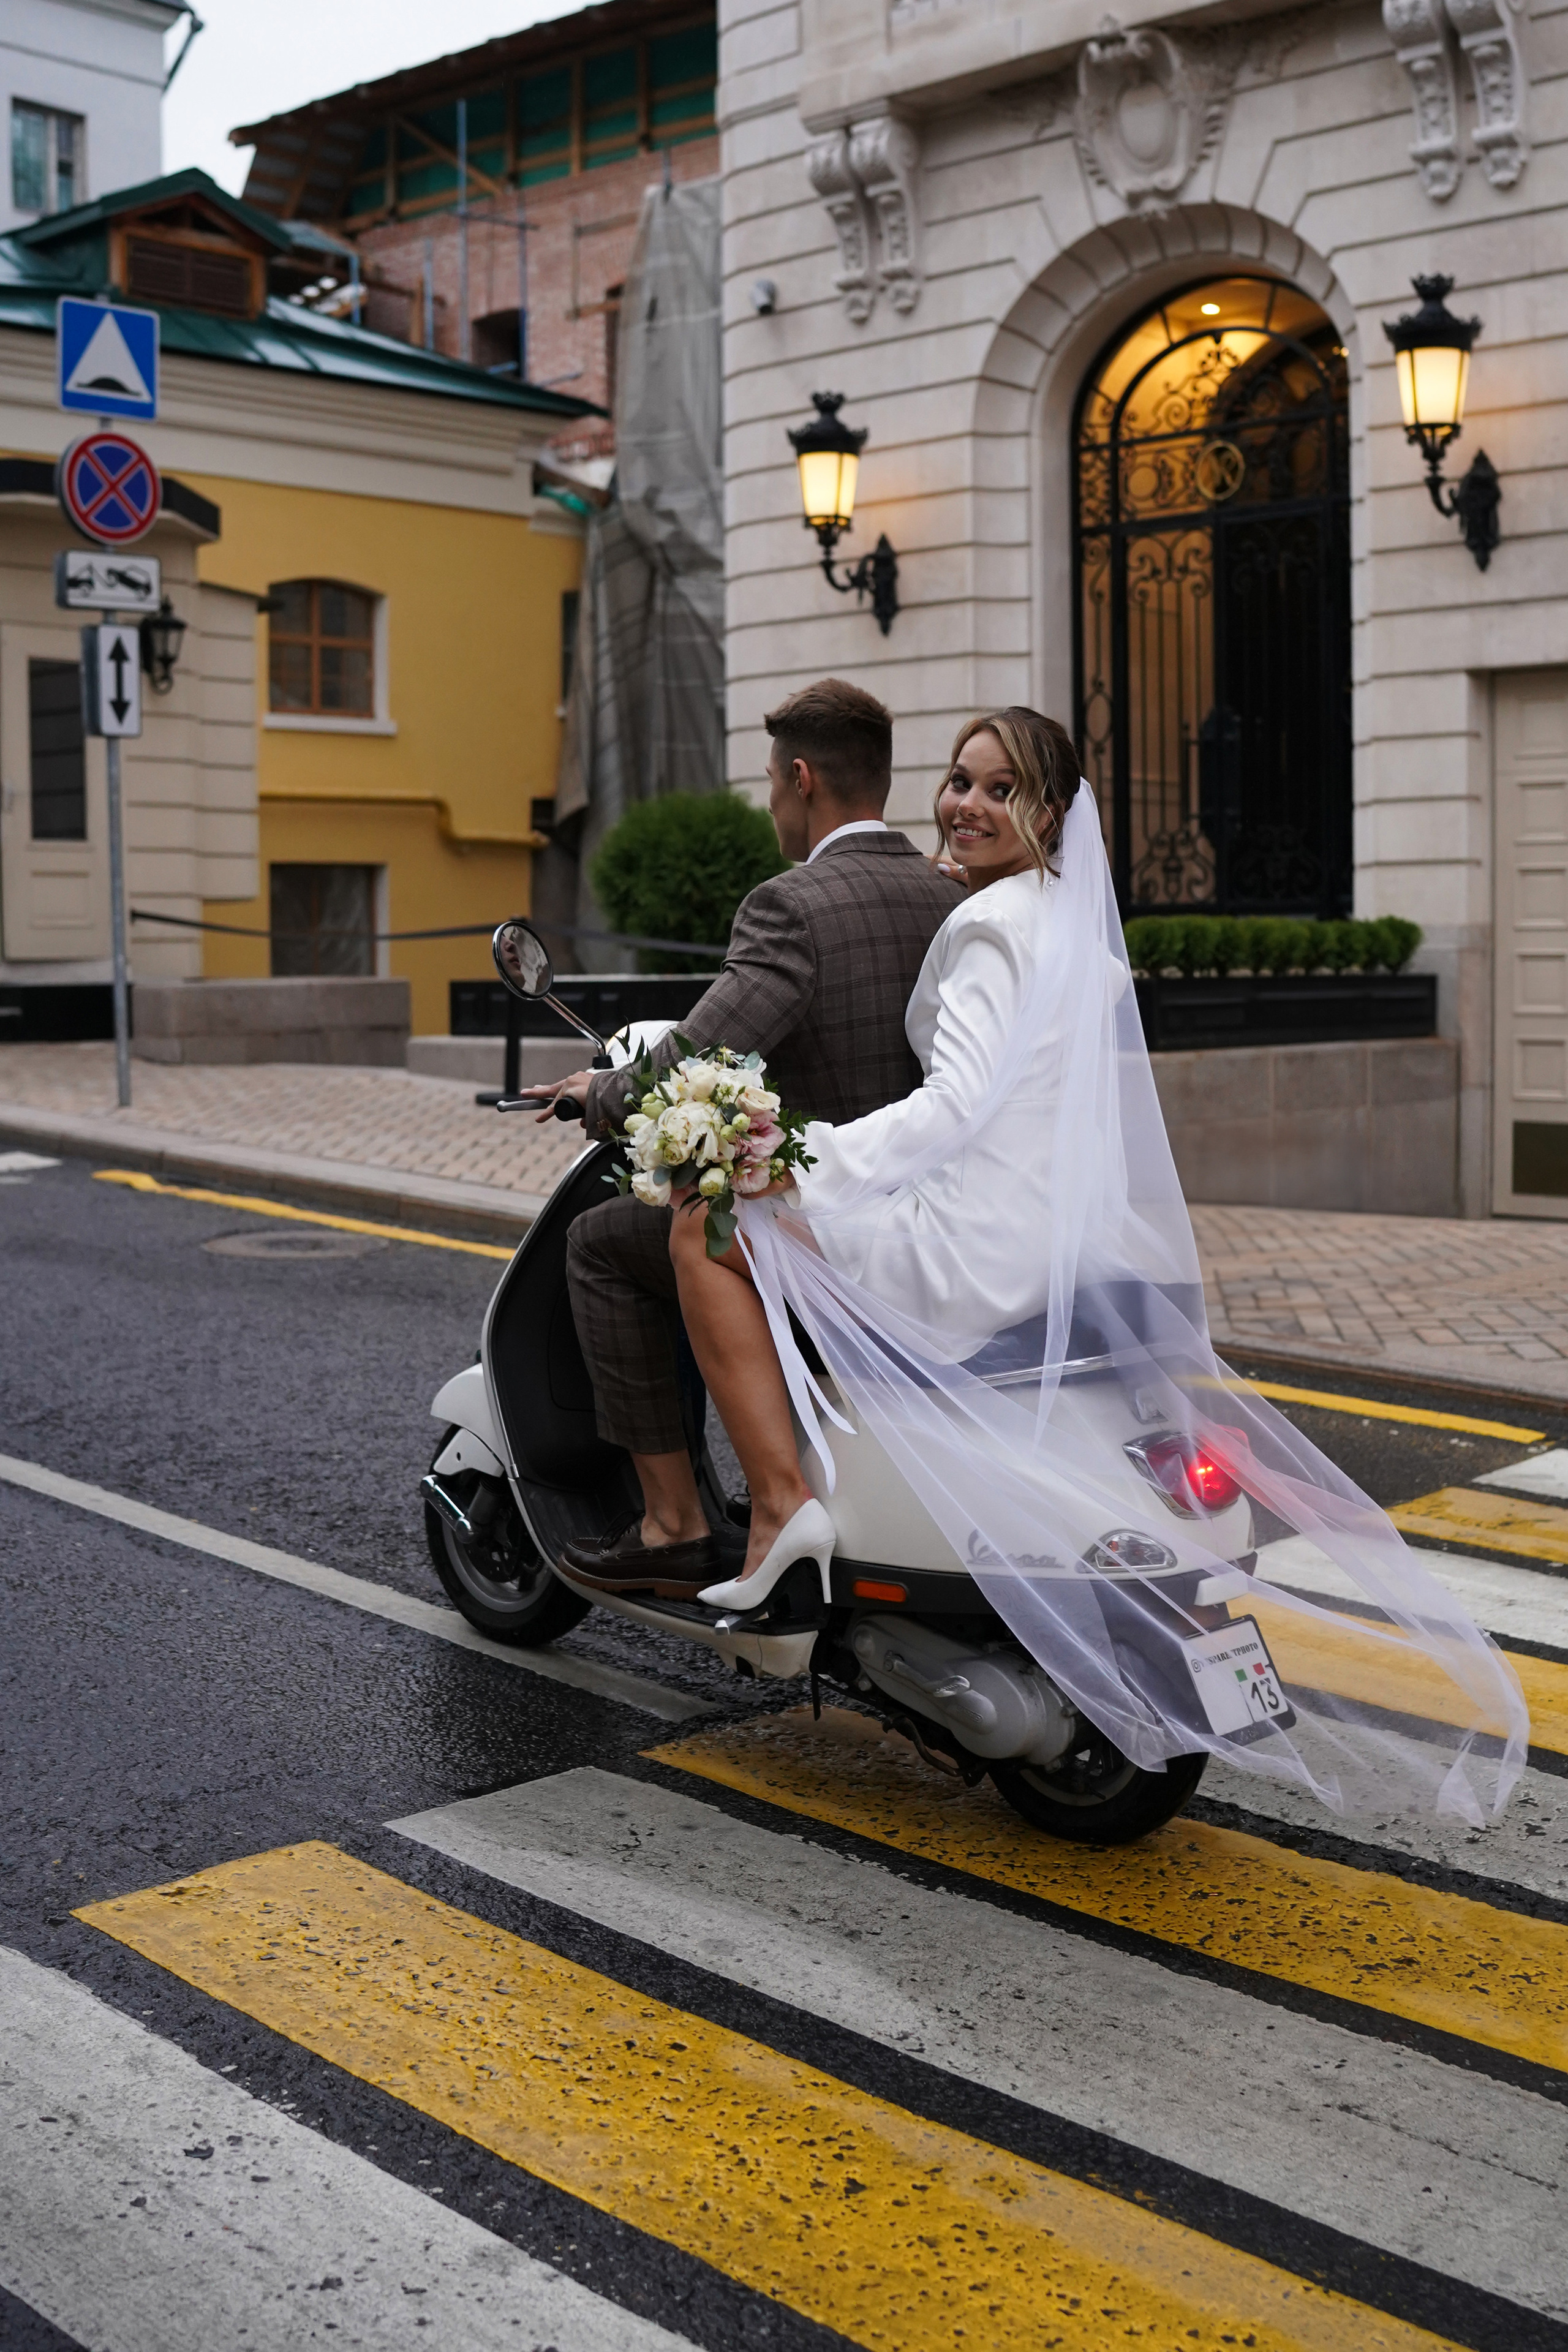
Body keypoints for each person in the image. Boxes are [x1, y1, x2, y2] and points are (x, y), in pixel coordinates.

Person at [667, 706, 1529, 1824]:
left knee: (702, 1225)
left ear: (1049, 817)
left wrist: (796, 1156)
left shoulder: (989, 931)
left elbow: (956, 1105)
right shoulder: (1079, 934)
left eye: (1000, 791)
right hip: (1066, 1242)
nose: (966, 806)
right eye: (959, 782)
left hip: (976, 1245)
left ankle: (781, 1511)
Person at [537, 677, 962, 1600]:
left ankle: (673, 1523)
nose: (770, 801)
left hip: (828, 1229)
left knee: (601, 1244)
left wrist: (596, 1093)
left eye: (771, 782)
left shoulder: (792, 906)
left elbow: (694, 1055)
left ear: (802, 778)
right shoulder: (949, 894)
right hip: (936, 1227)